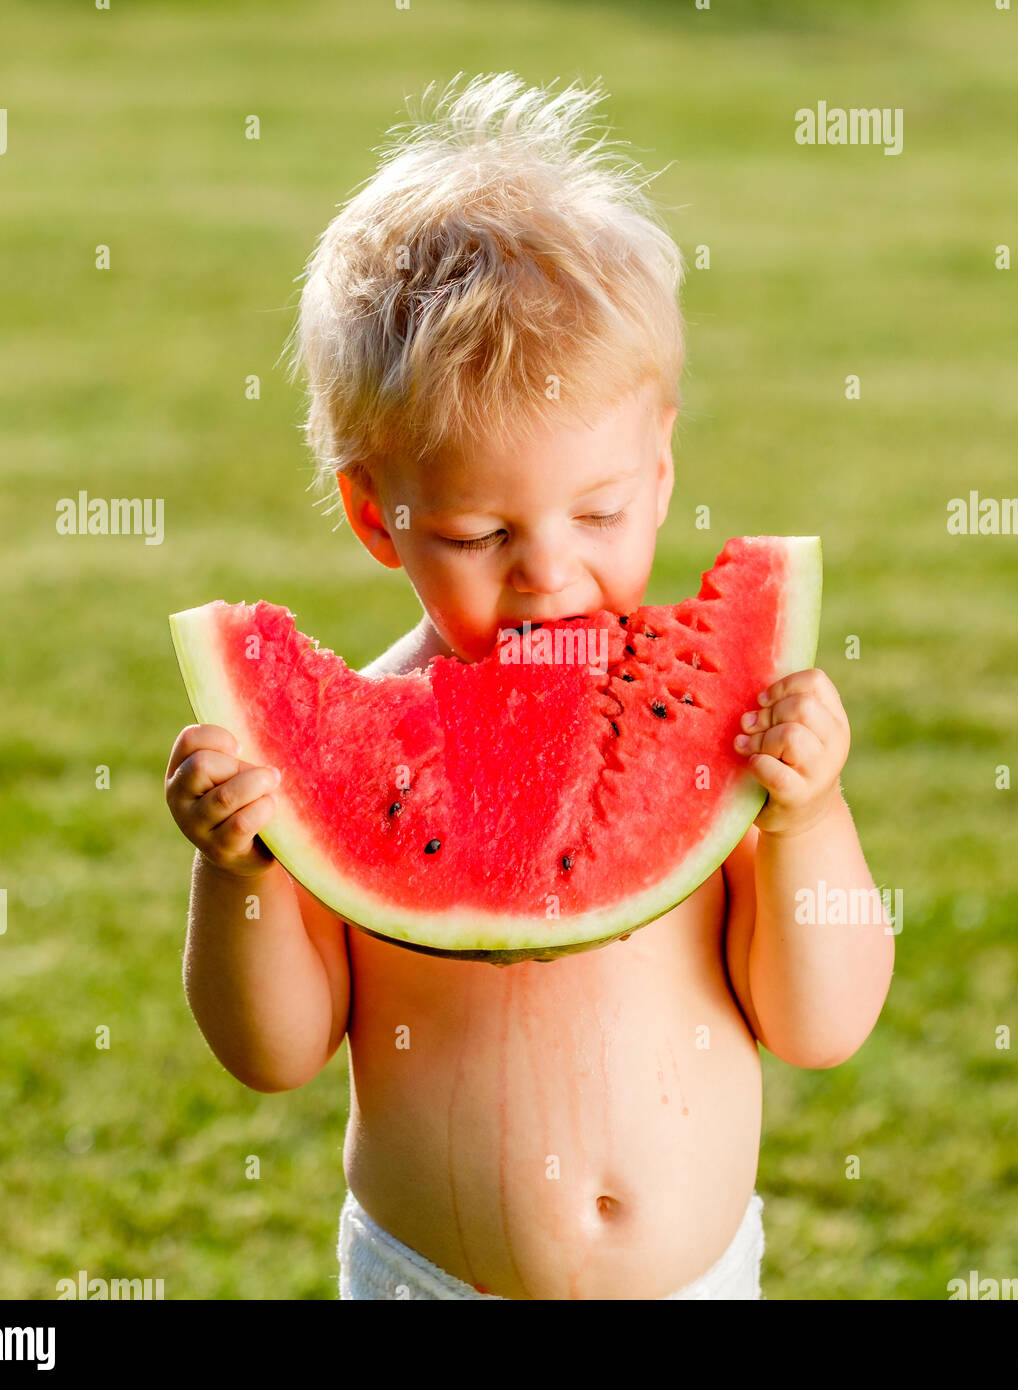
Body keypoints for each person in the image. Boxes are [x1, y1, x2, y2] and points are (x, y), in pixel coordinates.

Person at [165, 71, 894, 1300]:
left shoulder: (721, 732)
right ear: (373, 514)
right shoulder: (346, 764)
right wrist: (234, 870)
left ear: (658, 471)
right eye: (474, 533)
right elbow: (274, 1053)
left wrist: (809, 818)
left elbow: (819, 1023)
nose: (549, 574)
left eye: (599, 512)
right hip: (429, 1282)